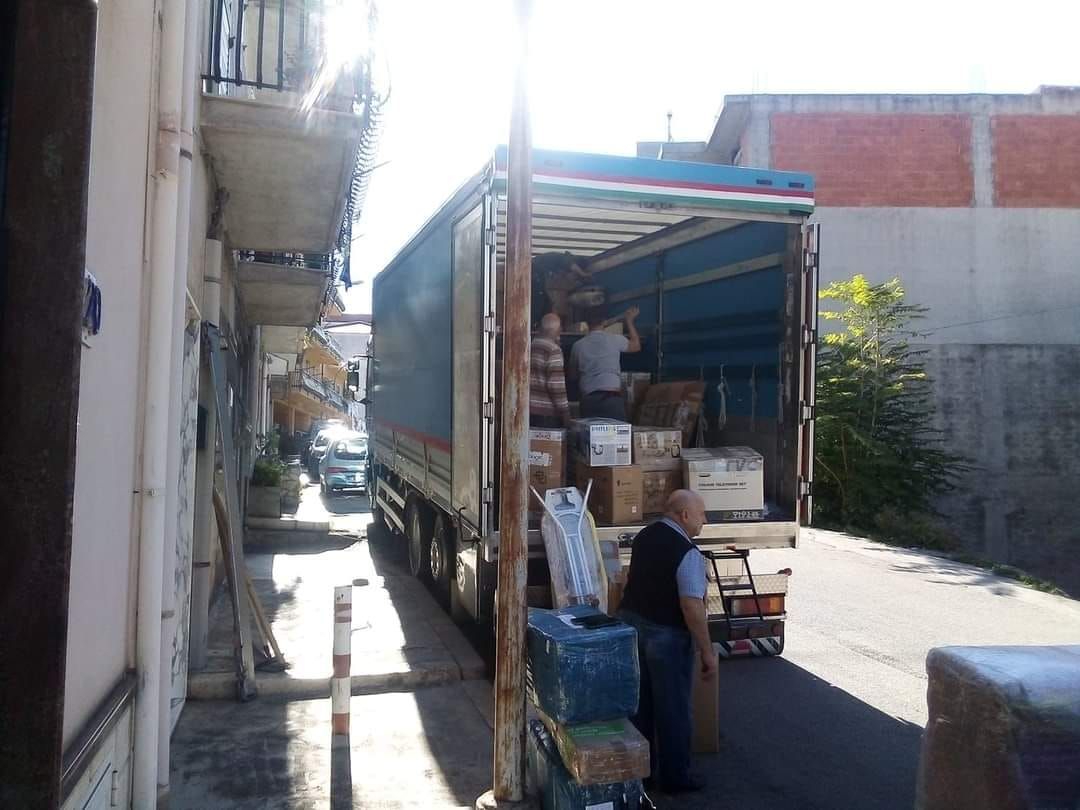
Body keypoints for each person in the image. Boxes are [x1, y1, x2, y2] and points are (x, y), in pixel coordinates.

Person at [617, 489, 716, 794]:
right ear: (684, 515)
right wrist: (707, 651)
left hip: (633, 627)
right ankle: (675, 778)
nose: (704, 520)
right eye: (701, 514)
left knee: (640, 706)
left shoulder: (644, 536)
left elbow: (633, 580)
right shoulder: (688, 552)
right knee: (673, 708)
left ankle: (642, 773)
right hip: (666, 636)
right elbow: (691, 606)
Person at [567, 305, 641, 420]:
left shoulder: (578, 346)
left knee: (589, 431)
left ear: (586, 323)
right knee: (616, 431)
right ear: (604, 321)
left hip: (589, 401)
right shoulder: (615, 339)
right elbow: (636, 346)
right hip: (612, 399)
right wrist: (629, 321)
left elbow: (572, 376)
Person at [530, 313, 571, 429]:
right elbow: (556, 386)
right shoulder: (553, 350)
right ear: (557, 330)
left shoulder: (530, 345)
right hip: (546, 415)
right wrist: (565, 413)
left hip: (527, 410)